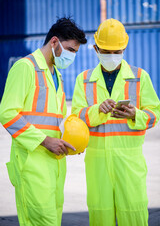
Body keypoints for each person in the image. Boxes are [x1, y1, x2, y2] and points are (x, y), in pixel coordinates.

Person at [71, 18, 160, 226]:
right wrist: (96, 111)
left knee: (134, 214)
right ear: (95, 48)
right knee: (100, 216)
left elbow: (155, 114)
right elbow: (76, 117)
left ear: (124, 49)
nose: (112, 56)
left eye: (117, 52)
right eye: (106, 51)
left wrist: (135, 114)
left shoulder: (139, 77)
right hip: (97, 164)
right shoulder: (84, 80)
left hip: (129, 163)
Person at [0, 17, 87, 226]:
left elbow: (52, 121)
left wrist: (73, 141)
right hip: (31, 162)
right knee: (41, 221)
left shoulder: (56, 74)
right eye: (70, 50)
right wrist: (45, 141)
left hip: (54, 163)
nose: (72, 56)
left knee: (53, 219)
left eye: (75, 52)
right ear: (54, 42)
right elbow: (7, 113)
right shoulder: (25, 67)